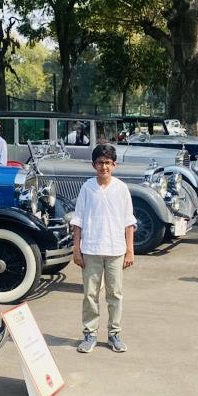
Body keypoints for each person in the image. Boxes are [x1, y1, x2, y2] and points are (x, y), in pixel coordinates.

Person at [71, 143, 136, 353]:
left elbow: (128, 222)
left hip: (116, 250)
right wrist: (76, 248)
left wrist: (129, 250)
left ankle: (114, 334)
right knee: (90, 294)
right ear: (94, 165)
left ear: (114, 165)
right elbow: (78, 220)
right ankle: (89, 334)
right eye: (100, 162)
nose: (104, 167)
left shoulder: (121, 189)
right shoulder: (87, 188)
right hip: (91, 249)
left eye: (108, 163)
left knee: (114, 294)